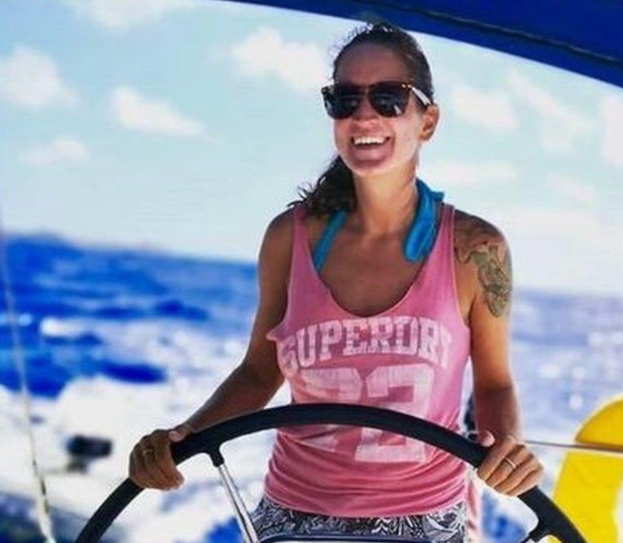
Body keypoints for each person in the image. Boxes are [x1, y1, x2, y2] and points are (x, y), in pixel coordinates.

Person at [129, 22, 543, 543]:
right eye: (345, 99)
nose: (364, 115)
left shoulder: (476, 250)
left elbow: (495, 384)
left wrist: (507, 447)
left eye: (389, 98)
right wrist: (182, 437)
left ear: (428, 121)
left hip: (425, 523)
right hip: (292, 519)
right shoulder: (289, 239)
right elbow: (259, 372)